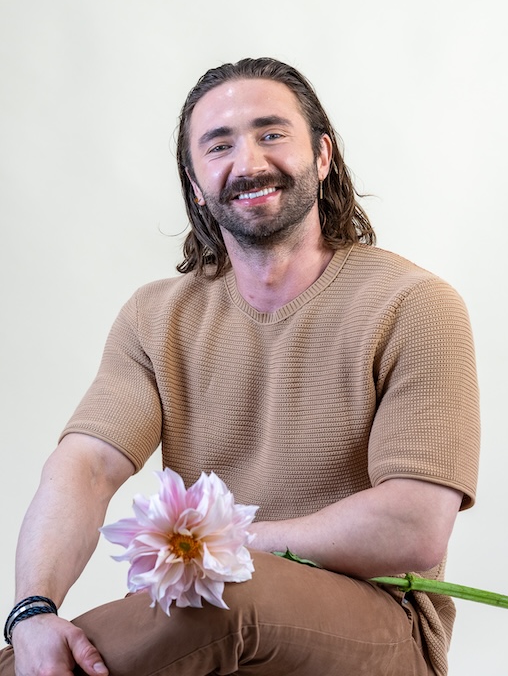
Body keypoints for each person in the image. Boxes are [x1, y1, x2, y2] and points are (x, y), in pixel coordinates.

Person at [1, 57, 480, 676]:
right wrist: (32, 612)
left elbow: (413, 526)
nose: (249, 162)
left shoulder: (414, 305)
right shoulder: (155, 317)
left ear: (323, 156)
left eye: (271, 134)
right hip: (215, 612)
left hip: (385, 627)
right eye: (219, 145)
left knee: (223, 593)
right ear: (195, 181)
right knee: (177, 607)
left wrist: (223, 547)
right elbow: (85, 468)